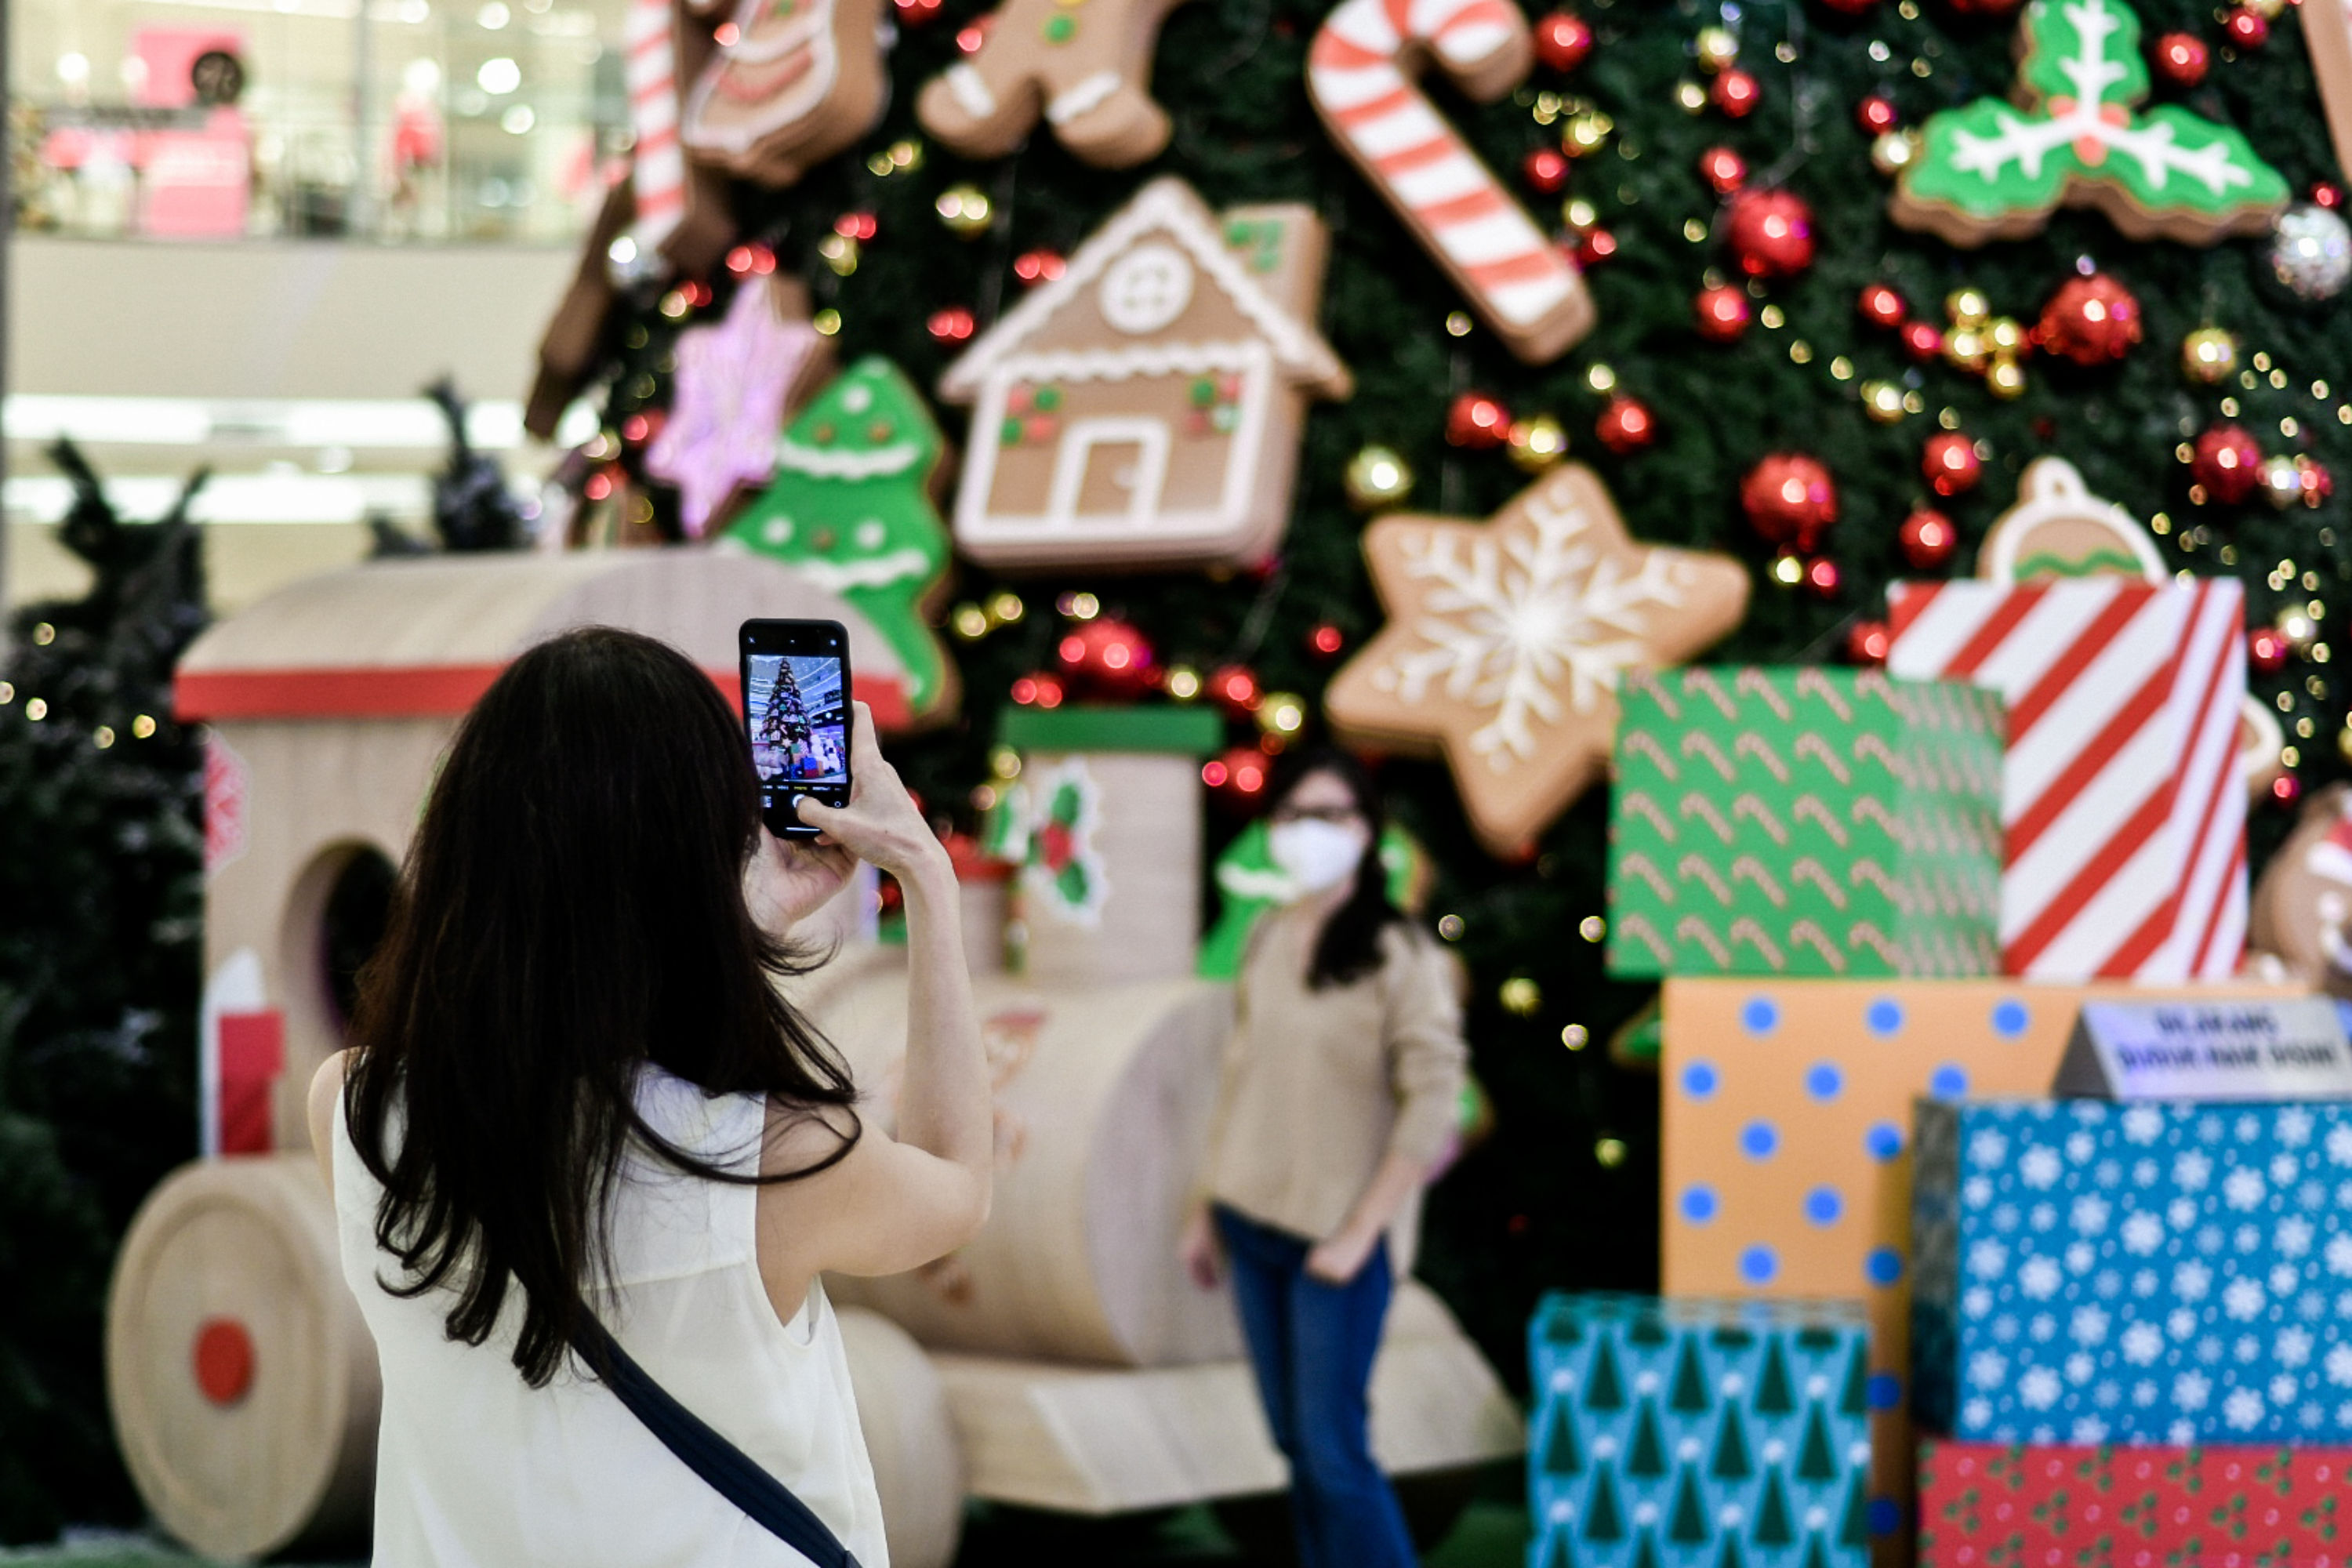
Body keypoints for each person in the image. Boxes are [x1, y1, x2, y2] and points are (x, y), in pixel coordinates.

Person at [308, 626, 990, 1567]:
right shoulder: (777, 1156)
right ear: (701, 848)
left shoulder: (353, 1111)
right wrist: (928, 879)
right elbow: (957, 1178)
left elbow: (571, 1021)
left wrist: (728, 915)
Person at [1178, 750, 1470, 1568]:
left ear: (1368, 830)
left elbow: (1433, 1097)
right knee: (1294, 1442)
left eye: (1334, 814)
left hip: (1336, 1241)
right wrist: (1206, 1205)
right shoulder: (1270, 934)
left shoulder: (1398, 950)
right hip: (1250, 1222)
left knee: (1335, 1451)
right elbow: (1243, 1075)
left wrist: (1361, 1231)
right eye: (1296, 814)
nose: (1314, 832)